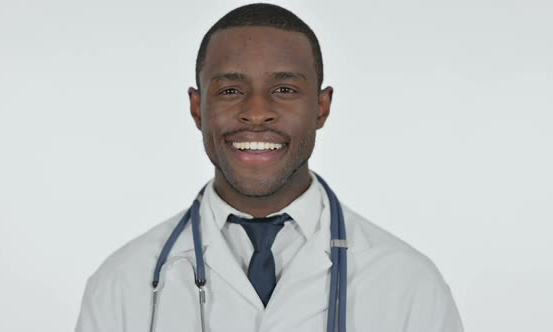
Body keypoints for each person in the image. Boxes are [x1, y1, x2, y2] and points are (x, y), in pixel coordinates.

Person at [75, 3, 464, 332]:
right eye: (230, 91)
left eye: (285, 90)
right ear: (197, 108)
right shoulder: (122, 285)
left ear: (322, 107)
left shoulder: (410, 286)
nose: (257, 113)